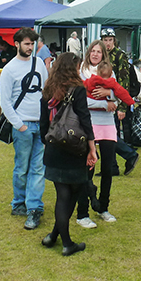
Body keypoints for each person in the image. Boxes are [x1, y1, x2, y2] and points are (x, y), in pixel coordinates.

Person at [39, 52, 98, 257]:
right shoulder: (78, 89)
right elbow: (85, 119)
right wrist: (92, 147)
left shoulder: (48, 89)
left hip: (54, 146)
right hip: (74, 147)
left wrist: (46, 143)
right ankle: (66, 243)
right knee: (68, 195)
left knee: (64, 193)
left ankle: (54, 235)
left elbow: (43, 123)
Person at [0, 26, 48, 230]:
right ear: (17, 44)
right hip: (23, 125)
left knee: (38, 167)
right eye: (27, 44)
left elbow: (47, 91)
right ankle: (18, 203)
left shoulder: (39, 63)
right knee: (22, 168)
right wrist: (19, 126)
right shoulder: (9, 69)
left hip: (41, 123)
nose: (30, 47)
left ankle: (34, 207)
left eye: (33, 44)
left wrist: (48, 119)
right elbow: (5, 102)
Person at [75, 40, 120, 228]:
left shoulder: (110, 72)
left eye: (99, 52)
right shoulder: (81, 72)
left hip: (108, 124)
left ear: (104, 55)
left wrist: (108, 92)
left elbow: (117, 99)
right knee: (87, 168)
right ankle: (83, 212)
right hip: (88, 124)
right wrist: (104, 102)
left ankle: (103, 207)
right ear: (88, 53)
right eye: (92, 51)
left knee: (108, 168)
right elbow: (81, 101)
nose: (95, 54)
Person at [100, 28, 139, 175]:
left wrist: (122, 107)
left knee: (109, 135)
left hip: (115, 100)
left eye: (110, 40)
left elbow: (124, 82)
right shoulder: (101, 55)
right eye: (105, 40)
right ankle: (112, 167)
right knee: (107, 135)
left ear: (114, 41)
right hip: (103, 100)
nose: (108, 43)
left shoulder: (119, 55)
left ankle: (130, 154)